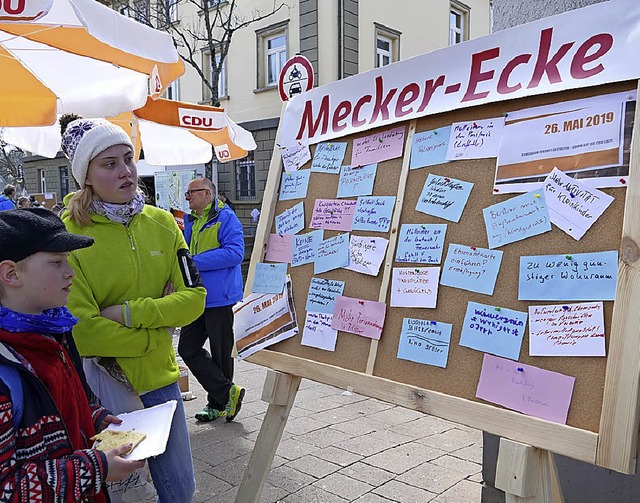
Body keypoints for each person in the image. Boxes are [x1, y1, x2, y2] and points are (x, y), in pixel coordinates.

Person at [59, 116, 207, 502]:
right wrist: (157, 327)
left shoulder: (163, 223)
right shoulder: (69, 236)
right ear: (86, 176)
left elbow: (194, 300)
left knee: (181, 490)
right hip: (105, 388)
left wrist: (126, 313)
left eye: (128, 158)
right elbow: (83, 331)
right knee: (124, 494)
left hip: (161, 380)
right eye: (109, 164)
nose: (126, 171)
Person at [0, 207, 145, 500]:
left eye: (67, 261)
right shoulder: (7, 365)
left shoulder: (56, 330)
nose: (71, 273)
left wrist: (94, 416)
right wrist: (95, 469)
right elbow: (6, 487)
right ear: (11, 274)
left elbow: (68, 397)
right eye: (56, 263)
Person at [179, 177, 245, 422]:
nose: (187, 198)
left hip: (220, 298)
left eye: (190, 193)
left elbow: (235, 253)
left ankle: (217, 404)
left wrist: (194, 261)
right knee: (187, 348)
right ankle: (228, 393)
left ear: (206, 193)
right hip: (196, 296)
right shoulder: (192, 221)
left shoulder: (226, 218)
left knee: (221, 353)